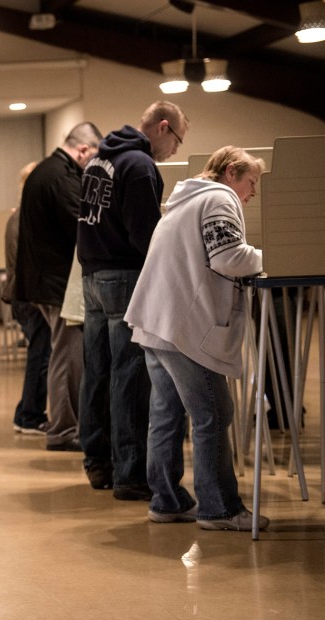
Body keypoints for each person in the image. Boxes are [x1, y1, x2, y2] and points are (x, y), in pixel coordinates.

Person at [125, 147, 269, 531]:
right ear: (232, 171)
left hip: (156, 320)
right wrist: (271, 256)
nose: (252, 193)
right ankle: (219, 508)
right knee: (213, 412)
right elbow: (227, 256)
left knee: (167, 414)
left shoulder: (184, 199)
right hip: (182, 327)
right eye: (251, 182)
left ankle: (167, 500)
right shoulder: (220, 198)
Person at [77, 101, 189, 500]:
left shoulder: (97, 161)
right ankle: (129, 473)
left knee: (97, 370)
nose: (175, 149)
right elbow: (147, 234)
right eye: (177, 139)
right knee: (128, 374)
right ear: (162, 127)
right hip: (124, 276)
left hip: (91, 276)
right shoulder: (140, 167)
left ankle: (96, 460)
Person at [15, 122, 103, 450]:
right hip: (54, 282)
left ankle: (67, 426)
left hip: (47, 279)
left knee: (65, 352)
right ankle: (64, 430)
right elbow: (81, 224)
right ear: (82, 149)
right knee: (67, 355)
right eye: (92, 156)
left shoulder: (48, 171)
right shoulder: (59, 176)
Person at [2, 161, 50, 435]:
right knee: (40, 357)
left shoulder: (18, 215)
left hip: (22, 295)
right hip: (31, 297)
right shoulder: (29, 216)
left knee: (39, 355)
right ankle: (30, 415)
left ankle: (26, 412)